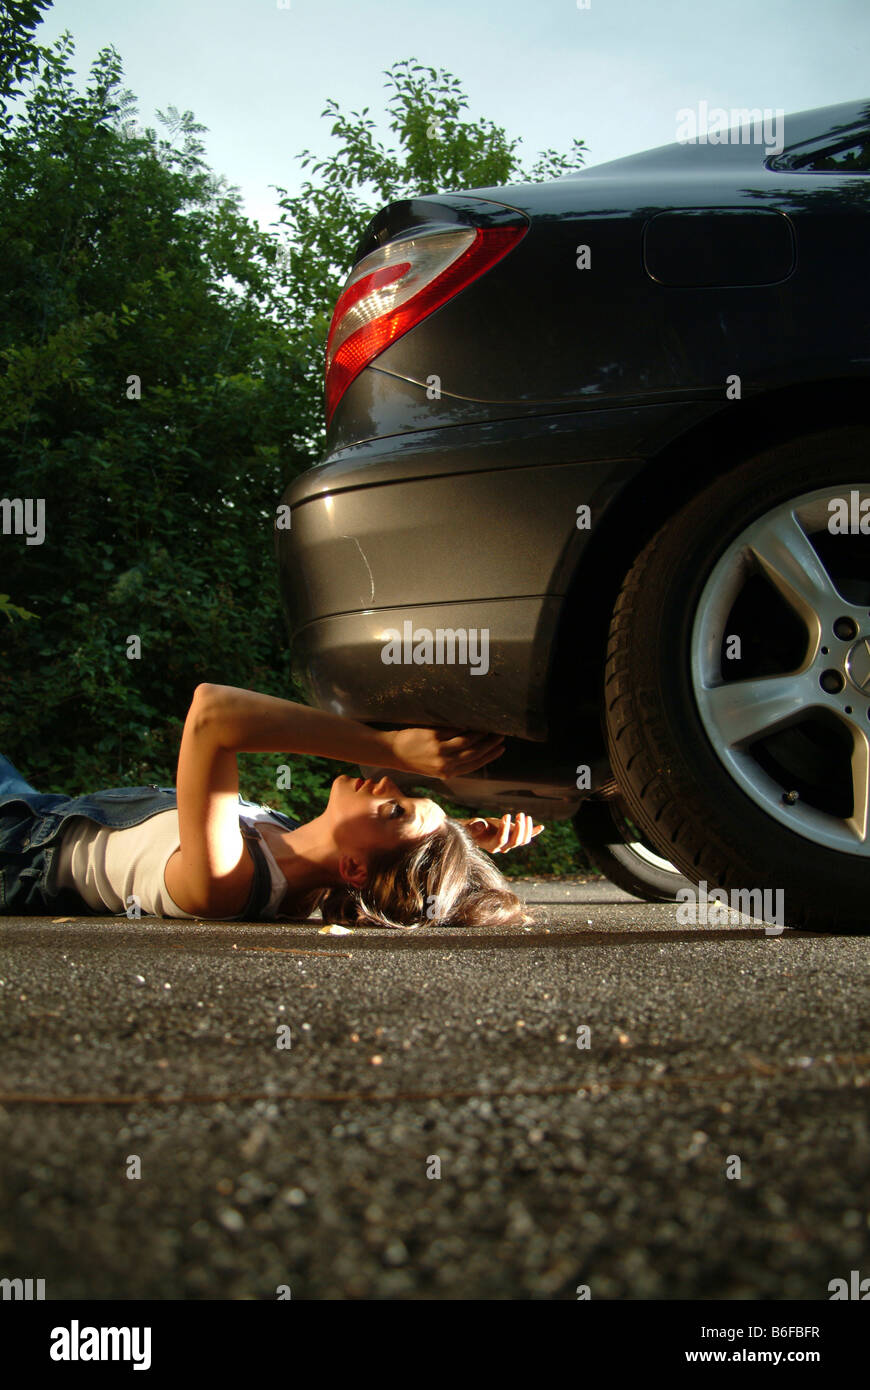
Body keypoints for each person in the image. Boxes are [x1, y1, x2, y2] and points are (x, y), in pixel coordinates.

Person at [0, 684, 543, 928]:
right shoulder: (293, 864)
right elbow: (392, 871)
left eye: (396, 810)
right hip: (37, 809)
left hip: (14, 849)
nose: (386, 785)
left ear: (353, 867)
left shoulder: (228, 883)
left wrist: (390, 747)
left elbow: (212, 714)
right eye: (406, 793)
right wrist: (465, 843)